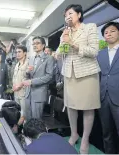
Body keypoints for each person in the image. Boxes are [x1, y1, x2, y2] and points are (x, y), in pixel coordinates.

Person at [56, 4, 101, 154]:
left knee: (88, 107)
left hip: (87, 74)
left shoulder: (90, 27)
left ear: (79, 15)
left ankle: (86, 139)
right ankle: (74, 133)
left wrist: (73, 44)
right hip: (69, 73)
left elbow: (94, 51)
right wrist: (64, 40)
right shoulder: (65, 32)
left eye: (70, 13)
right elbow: (58, 54)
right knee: (71, 106)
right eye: (65, 15)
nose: (67, 16)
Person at [97, 22, 119, 154]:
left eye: (113, 31)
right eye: (106, 32)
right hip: (103, 97)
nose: (109, 34)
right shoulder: (101, 54)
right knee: (106, 133)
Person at [23, 36, 54, 121]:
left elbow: (49, 77)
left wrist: (32, 82)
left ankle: (38, 135)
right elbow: (27, 75)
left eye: (37, 43)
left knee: (37, 121)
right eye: (33, 44)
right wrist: (27, 72)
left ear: (43, 45)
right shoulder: (31, 58)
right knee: (28, 118)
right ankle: (28, 135)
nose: (35, 45)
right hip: (28, 93)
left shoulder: (49, 58)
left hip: (39, 93)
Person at [12, 45, 28, 125]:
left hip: (23, 93)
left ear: (24, 53)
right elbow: (15, 78)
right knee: (17, 112)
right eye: (16, 52)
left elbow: (28, 78)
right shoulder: (17, 64)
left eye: (19, 52)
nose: (17, 54)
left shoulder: (28, 63)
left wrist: (19, 85)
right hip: (16, 93)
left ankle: (24, 132)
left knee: (24, 114)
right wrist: (13, 86)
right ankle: (19, 131)